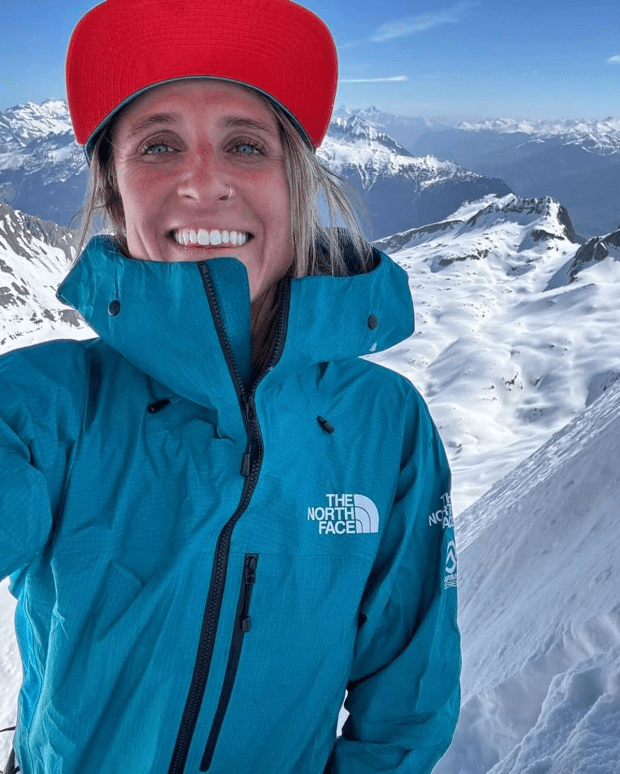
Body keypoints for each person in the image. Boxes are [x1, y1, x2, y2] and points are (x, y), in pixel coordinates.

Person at [0, 0, 460, 772]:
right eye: (158, 146)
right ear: (115, 196)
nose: (202, 183)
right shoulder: (44, 405)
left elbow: (404, 710)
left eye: (246, 145)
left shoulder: (388, 428)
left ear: (299, 187)